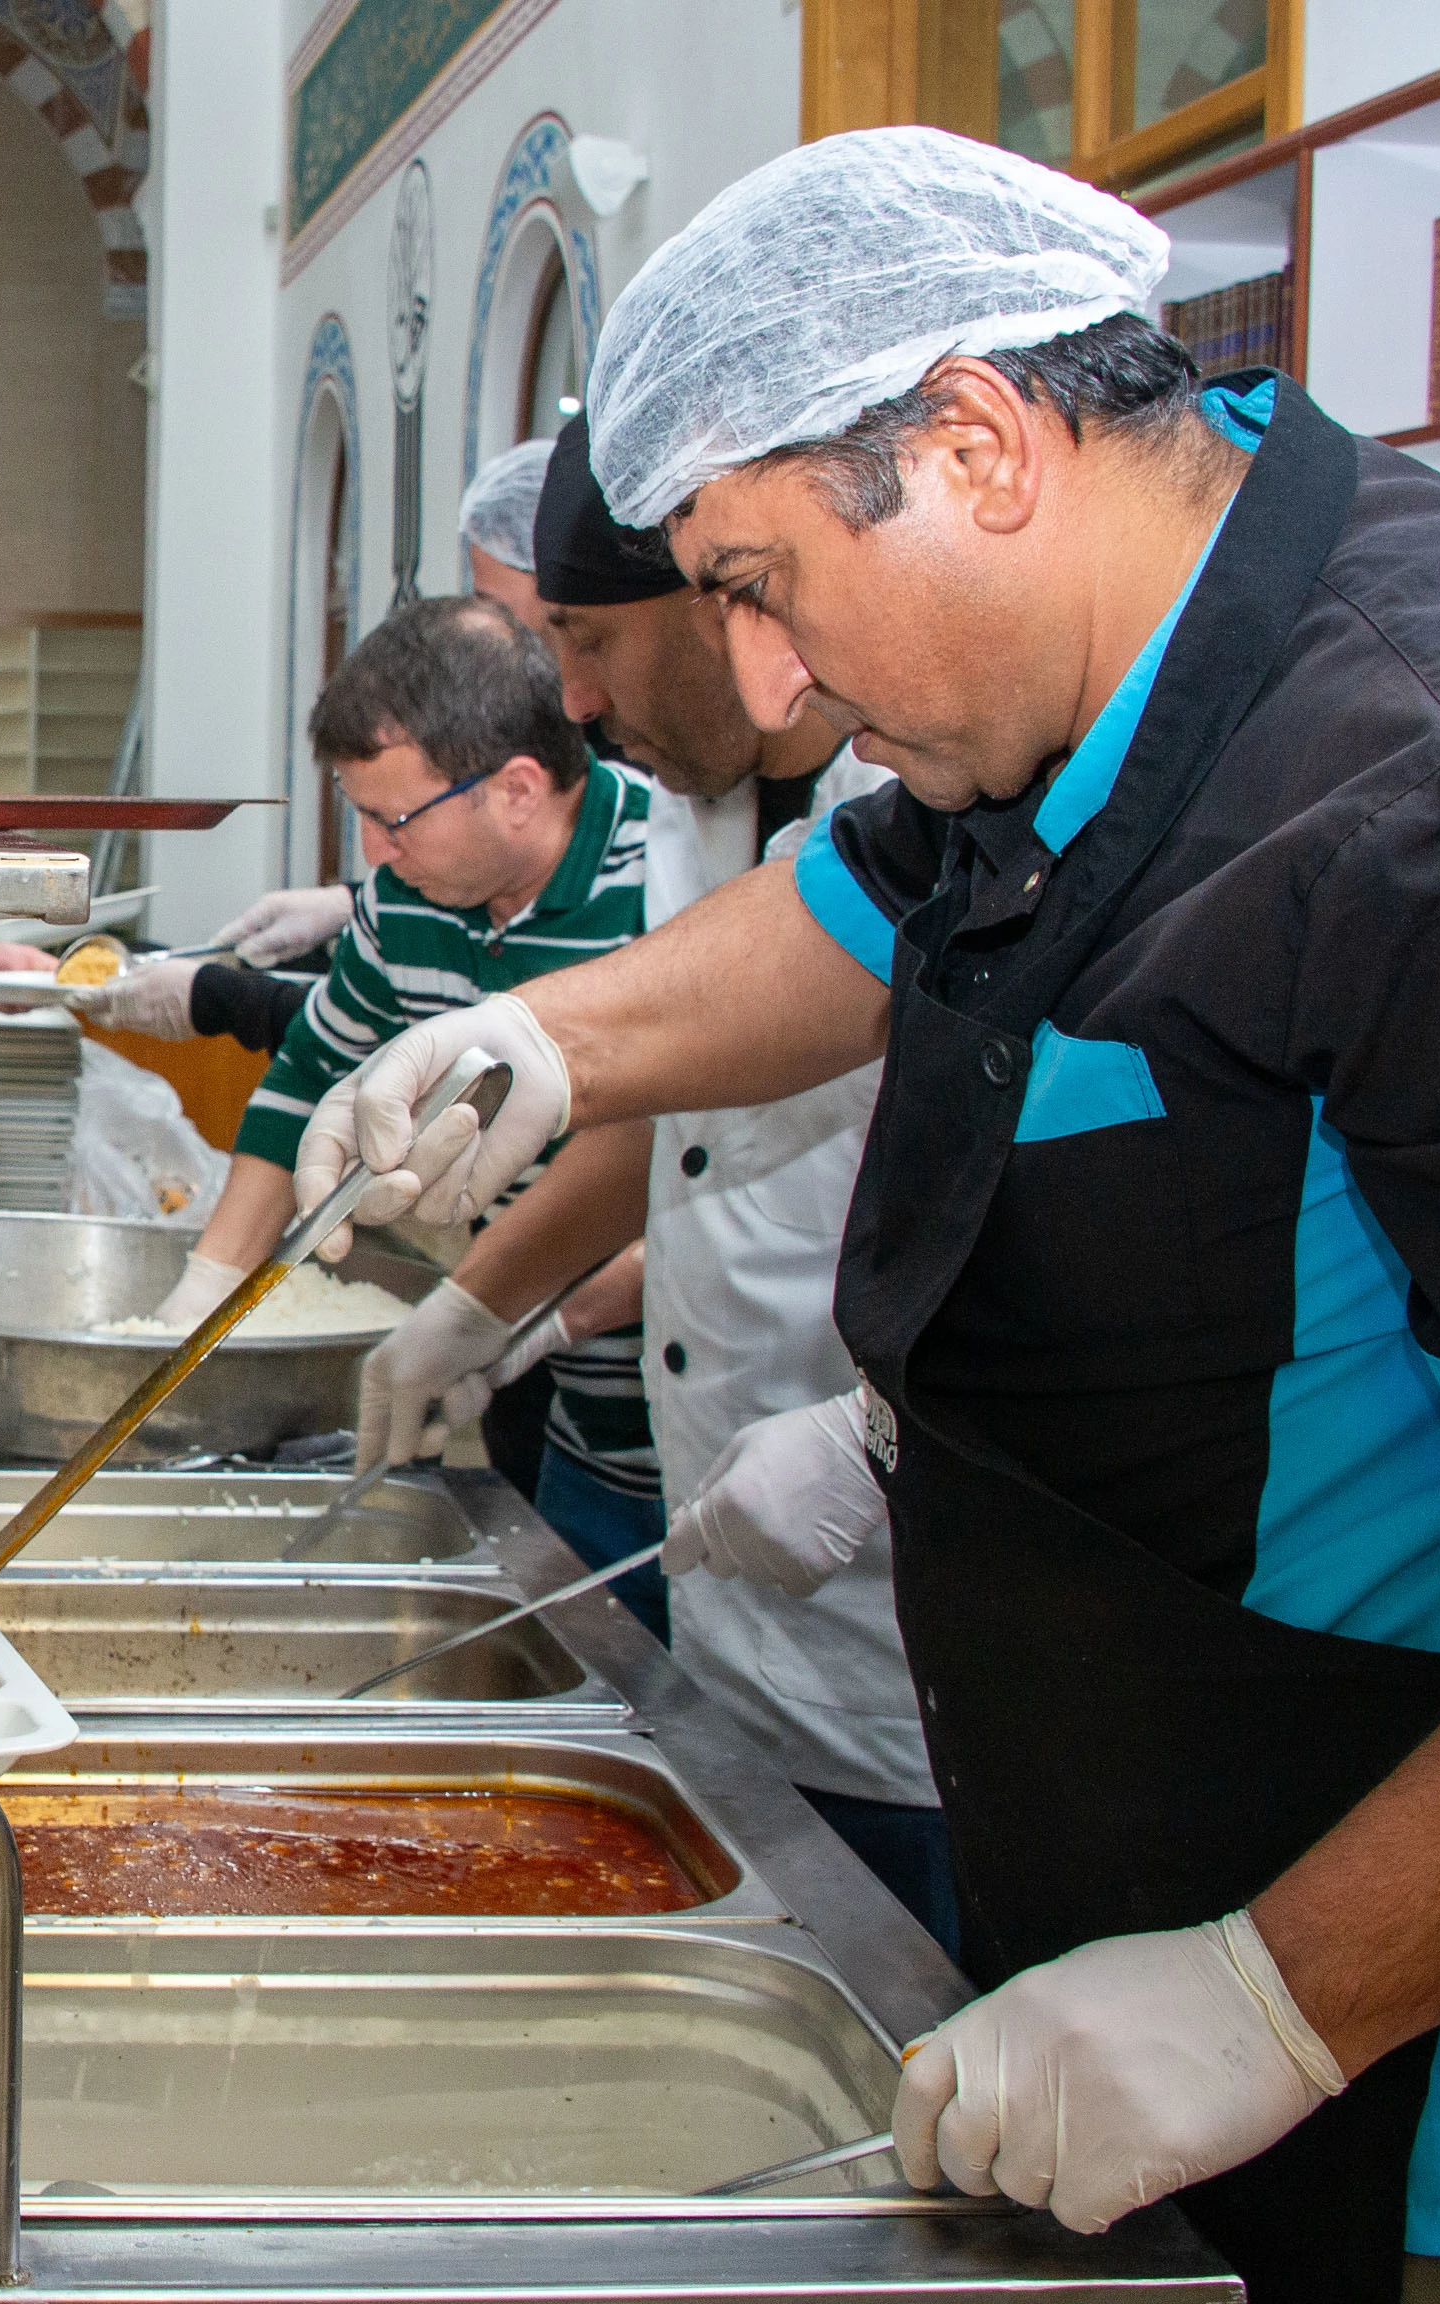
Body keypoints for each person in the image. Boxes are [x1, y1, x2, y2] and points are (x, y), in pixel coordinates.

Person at [299, 128, 1440, 2301]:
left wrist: (1276, 1993)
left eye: (756, 583)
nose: (767, 689)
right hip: (1217, 1887)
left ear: (976, 447)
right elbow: (860, 908)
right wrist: (559, 1052)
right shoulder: (1090, 665)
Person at [360, 412, 951, 1952]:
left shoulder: (937, 798)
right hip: (733, 1575)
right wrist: (473, 1311)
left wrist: (887, 1435)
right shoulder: (701, 799)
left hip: (920, 1628)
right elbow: (668, 1108)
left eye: (591, 638)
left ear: (723, 592)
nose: (573, 698)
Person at [144, 593, 671, 1624]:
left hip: (686, 1404)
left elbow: (689, 1165)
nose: (375, 857)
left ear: (517, 789)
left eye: (393, 818)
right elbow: (303, 1080)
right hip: (562, 1421)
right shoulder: (406, 904)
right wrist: (201, 1295)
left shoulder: (664, 879)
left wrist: (518, 1316)